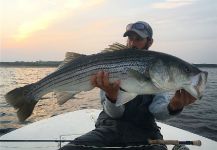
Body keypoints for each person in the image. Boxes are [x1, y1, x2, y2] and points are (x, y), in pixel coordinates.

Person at [59, 21, 196, 150]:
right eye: (130, 38)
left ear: (150, 41)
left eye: (138, 39)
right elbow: (114, 114)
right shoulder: (110, 63)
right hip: (110, 127)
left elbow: (158, 112)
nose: (132, 43)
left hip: (145, 130)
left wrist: (174, 106)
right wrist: (112, 98)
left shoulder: (159, 71)